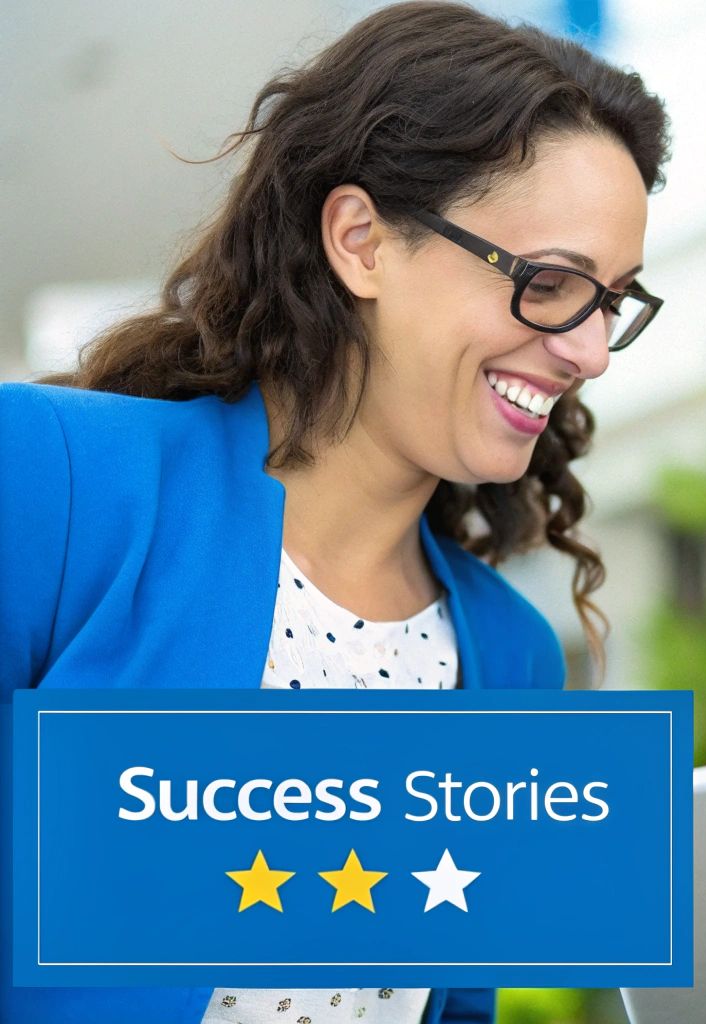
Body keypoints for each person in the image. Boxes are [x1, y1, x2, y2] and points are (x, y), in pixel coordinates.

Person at [0, 3, 668, 1022]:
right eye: (549, 284)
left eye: (610, 300)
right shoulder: (56, 482)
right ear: (361, 241)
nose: (584, 348)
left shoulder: (509, 655)